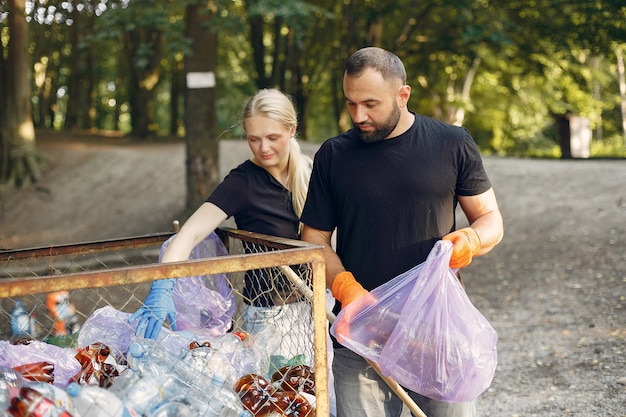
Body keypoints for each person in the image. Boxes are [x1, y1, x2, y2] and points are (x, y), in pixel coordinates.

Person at [300, 47, 504, 417]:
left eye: (370, 104)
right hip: (361, 333)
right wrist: (346, 289)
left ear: (402, 94)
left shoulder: (452, 142)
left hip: (437, 333)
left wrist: (472, 240)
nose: (359, 115)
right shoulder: (334, 155)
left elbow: (490, 218)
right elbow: (313, 238)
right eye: (350, 103)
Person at [130, 88, 315, 364]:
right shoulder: (242, 183)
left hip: (314, 308)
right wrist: (163, 284)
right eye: (254, 139)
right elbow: (190, 233)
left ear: (292, 129)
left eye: (272, 138)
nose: (263, 148)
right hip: (269, 318)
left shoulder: (311, 172)